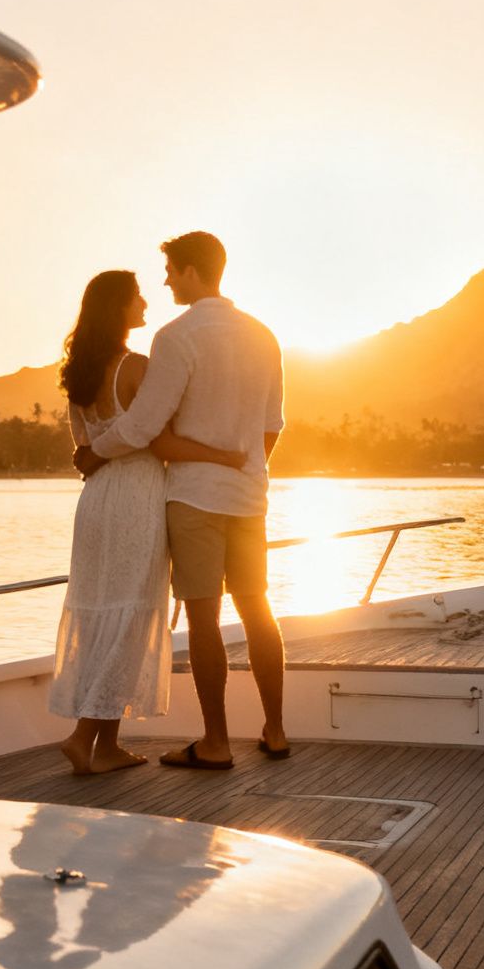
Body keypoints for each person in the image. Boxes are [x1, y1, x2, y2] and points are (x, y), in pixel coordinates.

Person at [77, 231, 289, 770]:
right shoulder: (264, 335)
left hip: (193, 496)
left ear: (193, 270)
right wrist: (244, 466)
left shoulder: (175, 336)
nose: (166, 280)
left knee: (203, 619)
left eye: (170, 269)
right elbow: (272, 426)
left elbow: (145, 425)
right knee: (258, 609)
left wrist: (96, 453)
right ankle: (275, 730)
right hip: (249, 495)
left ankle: (215, 742)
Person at [53, 270, 244, 775]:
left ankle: (107, 746)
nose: (144, 302)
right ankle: (83, 735)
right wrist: (224, 455)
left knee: (104, 613)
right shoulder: (136, 367)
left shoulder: (78, 374)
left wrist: (96, 456)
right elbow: (158, 437)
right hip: (137, 493)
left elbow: (83, 448)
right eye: (136, 296)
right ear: (118, 307)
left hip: (96, 498)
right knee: (133, 615)